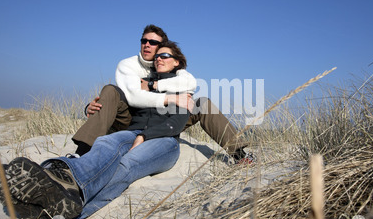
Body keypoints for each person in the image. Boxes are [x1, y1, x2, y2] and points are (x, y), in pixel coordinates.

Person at [0, 41, 192, 219]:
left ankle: (75, 209)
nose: (158, 58)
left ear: (176, 62)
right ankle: (57, 181)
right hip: (134, 132)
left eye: (164, 56)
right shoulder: (143, 84)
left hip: (165, 141)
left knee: (127, 165)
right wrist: (90, 107)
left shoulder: (183, 87)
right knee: (105, 143)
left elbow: (176, 123)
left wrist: (144, 136)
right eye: (157, 56)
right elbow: (122, 105)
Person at [73, 24, 253, 164]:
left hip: (167, 117)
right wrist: (171, 97)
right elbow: (133, 97)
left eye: (153, 43)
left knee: (203, 103)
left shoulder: (168, 63)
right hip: (132, 116)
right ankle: (80, 153)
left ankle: (239, 154)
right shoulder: (128, 65)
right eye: (144, 41)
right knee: (110, 90)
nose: (147, 45)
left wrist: (153, 84)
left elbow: (190, 82)